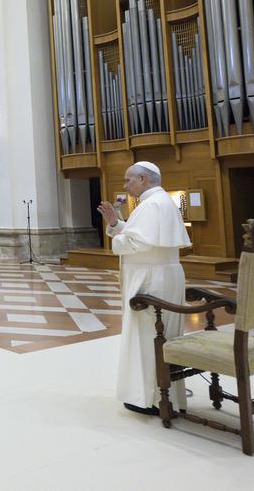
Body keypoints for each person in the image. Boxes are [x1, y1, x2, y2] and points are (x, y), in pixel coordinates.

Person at [97, 161, 191, 416]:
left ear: (142, 178)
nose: (125, 185)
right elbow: (142, 235)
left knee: (147, 334)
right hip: (161, 273)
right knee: (156, 334)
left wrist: (116, 241)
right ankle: (159, 392)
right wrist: (116, 224)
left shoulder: (151, 204)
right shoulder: (159, 202)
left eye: (129, 180)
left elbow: (138, 241)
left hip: (151, 278)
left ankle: (148, 397)